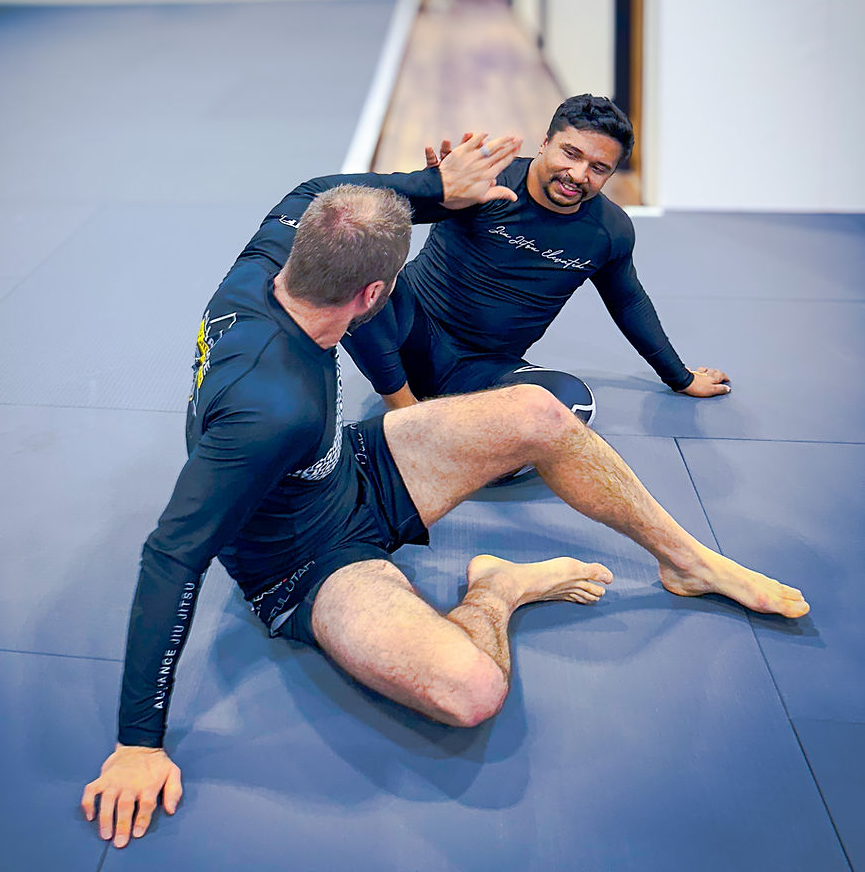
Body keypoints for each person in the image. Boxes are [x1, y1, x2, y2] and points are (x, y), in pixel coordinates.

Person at [82, 135, 808, 850]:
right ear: (375, 294)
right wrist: (137, 743)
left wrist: (434, 187)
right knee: (470, 692)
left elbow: (314, 186)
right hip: (307, 567)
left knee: (541, 414)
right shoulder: (273, 410)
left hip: (352, 465)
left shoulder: (266, 259)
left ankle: (688, 561)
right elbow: (171, 556)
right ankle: (497, 589)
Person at [341, 94, 730, 425]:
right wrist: (434, 193)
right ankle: (406, 415)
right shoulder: (488, 182)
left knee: (571, 405)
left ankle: (455, 428)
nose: (578, 174)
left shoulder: (609, 232)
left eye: (598, 168)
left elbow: (628, 302)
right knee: (352, 271)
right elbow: (373, 216)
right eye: (571, 153)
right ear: (545, 143)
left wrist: (679, 377)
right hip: (407, 332)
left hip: (482, 369)